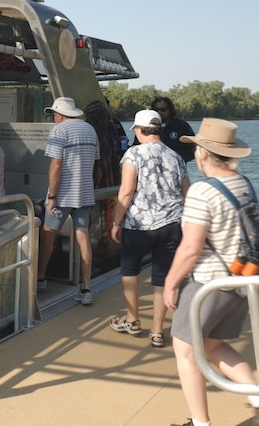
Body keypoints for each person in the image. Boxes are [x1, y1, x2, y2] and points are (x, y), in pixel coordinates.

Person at [162, 118, 259, 426]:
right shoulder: (243, 183)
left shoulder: (202, 192)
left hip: (210, 282)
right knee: (213, 344)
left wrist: (171, 283)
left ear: (203, 154)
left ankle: (200, 422)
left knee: (186, 351)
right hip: (241, 278)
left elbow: (191, 248)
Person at [110, 110, 189, 348]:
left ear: (138, 129)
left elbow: (126, 191)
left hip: (138, 225)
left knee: (130, 271)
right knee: (162, 277)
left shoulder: (133, 154)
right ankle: (157, 331)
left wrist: (116, 222)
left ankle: (133, 320)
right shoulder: (175, 156)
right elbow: (187, 191)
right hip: (171, 224)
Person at [37, 97, 100, 305]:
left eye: (54, 113)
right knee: (82, 236)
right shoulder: (90, 130)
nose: (53, 117)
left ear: (61, 114)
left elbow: (56, 164)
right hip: (84, 193)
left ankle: (41, 279)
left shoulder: (59, 131)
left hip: (62, 194)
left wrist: (52, 197)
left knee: (48, 233)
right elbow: (95, 163)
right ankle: (86, 288)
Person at [133, 97, 195, 163]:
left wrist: (176, 158)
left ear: (170, 110)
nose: (159, 112)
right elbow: (136, 146)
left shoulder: (182, 125)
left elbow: (193, 148)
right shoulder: (146, 126)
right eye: (156, 110)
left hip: (176, 165)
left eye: (163, 110)